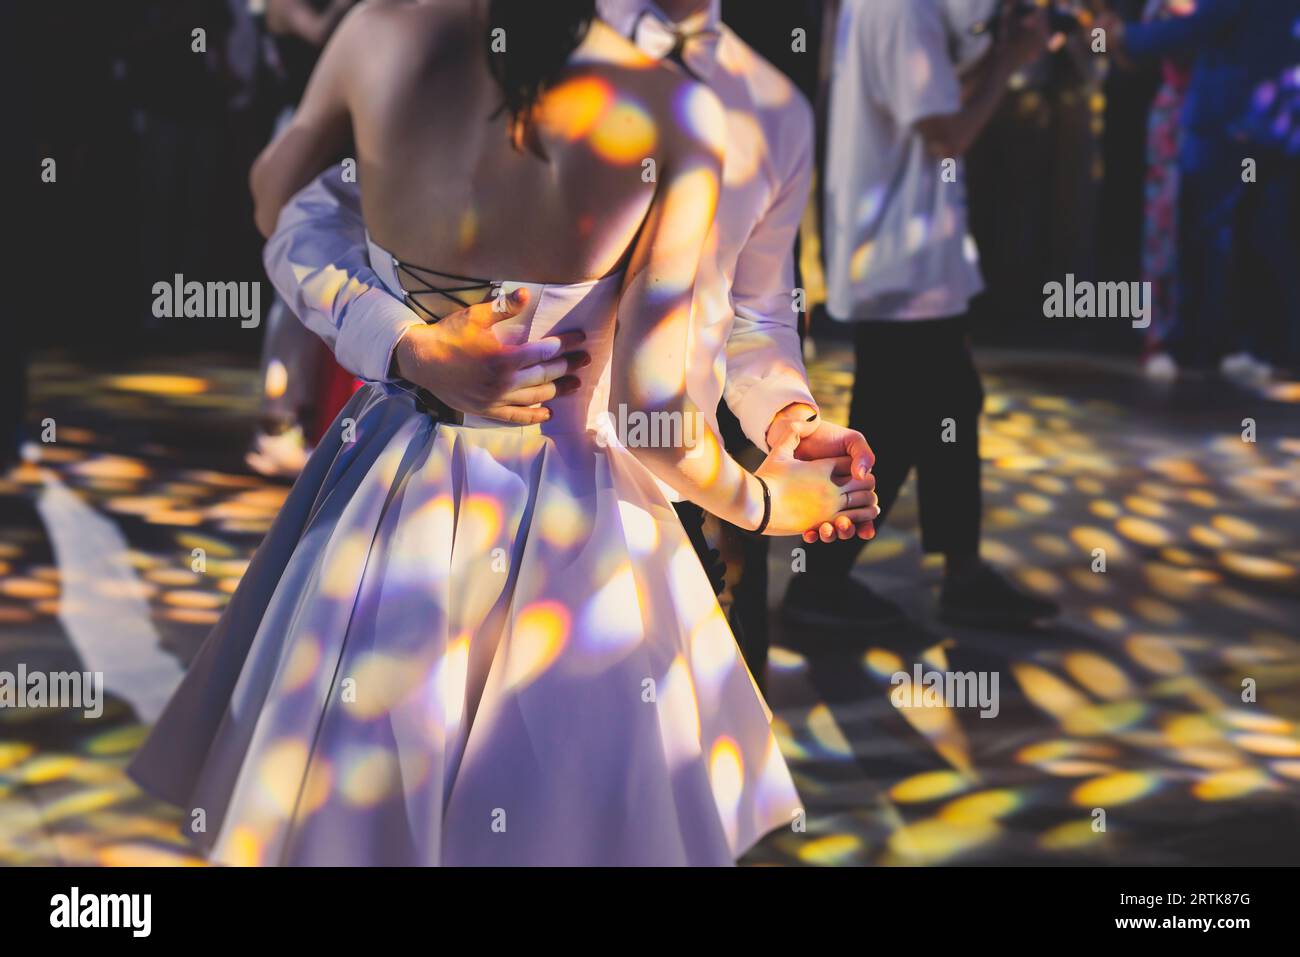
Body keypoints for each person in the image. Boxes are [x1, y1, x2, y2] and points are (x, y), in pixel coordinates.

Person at [128, 0, 878, 866]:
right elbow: (651, 408)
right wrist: (763, 501)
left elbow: (276, 201)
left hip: (386, 489)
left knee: (359, 808)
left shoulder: (380, 32)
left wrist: (403, 339)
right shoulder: (672, 112)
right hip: (576, 522)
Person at [259, 0, 877, 687]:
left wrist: (791, 420)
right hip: (591, 526)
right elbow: (653, 416)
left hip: (630, 509)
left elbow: (757, 313)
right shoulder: (674, 111)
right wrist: (407, 344)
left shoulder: (772, 107)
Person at [784, 0, 1060, 634]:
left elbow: (933, 102)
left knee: (950, 405)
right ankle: (820, 582)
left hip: (906, 255)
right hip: (899, 260)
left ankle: (960, 574)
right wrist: (1012, 59)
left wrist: (995, 53)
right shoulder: (904, 9)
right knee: (897, 424)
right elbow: (946, 134)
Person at [1102, 0, 1300, 383]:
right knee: (1255, 234)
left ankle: (1202, 347)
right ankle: (1250, 346)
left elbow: (1200, 27)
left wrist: (1125, 37)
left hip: (1233, 120)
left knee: (1210, 235)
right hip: (1265, 125)